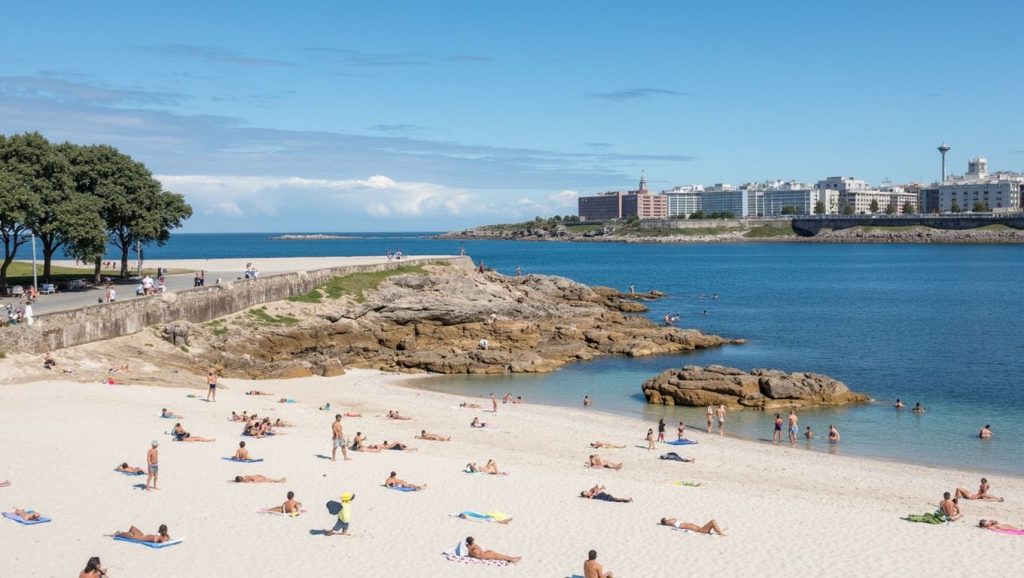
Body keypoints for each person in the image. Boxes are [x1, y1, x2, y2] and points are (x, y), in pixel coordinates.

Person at [659, 517, 726, 535]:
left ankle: (719, 530)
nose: (668, 519)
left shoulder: (675, 522)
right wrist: (667, 521)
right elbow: (673, 519)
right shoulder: (673, 524)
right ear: (666, 523)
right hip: (701, 530)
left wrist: (667, 520)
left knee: (713, 522)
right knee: (713, 521)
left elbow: (674, 518)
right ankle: (720, 532)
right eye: (666, 520)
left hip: (700, 529)